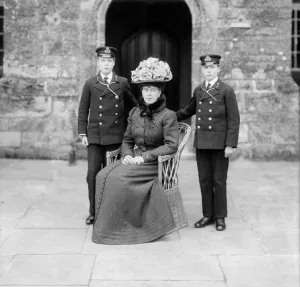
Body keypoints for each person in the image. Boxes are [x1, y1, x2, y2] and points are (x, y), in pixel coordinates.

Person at [92, 57, 179, 245]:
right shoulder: (134, 113)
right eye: (145, 89)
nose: (148, 93)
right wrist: (128, 155)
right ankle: (105, 225)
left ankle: (120, 229)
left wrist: (144, 157)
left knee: (119, 179)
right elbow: (127, 140)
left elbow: (171, 145)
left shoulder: (168, 115)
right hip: (134, 159)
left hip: (154, 162)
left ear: (159, 92)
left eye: (152, 90)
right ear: (141, 91)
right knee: (101, 175)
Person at [176, 54, 240, 231]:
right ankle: (207, 215)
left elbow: (233, 119)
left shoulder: (226, 90)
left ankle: (219, 216)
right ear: (202, 69)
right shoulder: (199, 91)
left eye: (212, 67)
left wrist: (230, 144)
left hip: (220, 144)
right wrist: (168, 116)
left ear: (218, 69)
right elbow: (188, 111)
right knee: (204, 180)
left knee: (219, 180)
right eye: (206, 68)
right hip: (202, 142)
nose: (209, 70)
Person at [78, 46, 137, 225]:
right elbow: (83, 109)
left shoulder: (122, 82)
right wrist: (82, 132)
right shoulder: (90, 83)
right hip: (94, 136)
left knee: (112, 175)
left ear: (113, 62)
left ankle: (112, 211)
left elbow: (133, 106)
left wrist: (131, 129)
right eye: (102, 60)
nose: (106, 64)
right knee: (92, 174)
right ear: (98, 62)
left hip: (115, 136)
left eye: (109, 60)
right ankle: (94, 211)